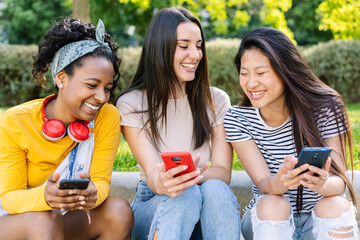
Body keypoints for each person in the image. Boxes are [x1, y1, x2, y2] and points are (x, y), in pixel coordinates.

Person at [0, 18, 134, 239]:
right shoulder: (16, 121)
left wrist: (93, 195)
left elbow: (100, 182)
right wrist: (44, 197)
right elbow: (8, 197)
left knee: (117, 211)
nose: (101, 97)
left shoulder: (107, 116)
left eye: (107, 88)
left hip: (64, 220)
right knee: (45, 218)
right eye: (92, 85)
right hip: (19, 222)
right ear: (61, 78)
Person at [116, 7, 240, 240]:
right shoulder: (132, 103)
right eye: (183, 46)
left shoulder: (216, 100)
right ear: (160, 48)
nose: (195, 55)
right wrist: (169, 182)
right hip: (153, 204)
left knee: (215, 190)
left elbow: (222, 172)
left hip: (205, 201)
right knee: (185, 194)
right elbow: (153, 175)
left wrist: (191, 178)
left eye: (199, 45)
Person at [224, 27, 359, 239]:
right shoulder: (237, 118)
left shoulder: (327, 108)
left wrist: (322, 184)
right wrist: (281, 182)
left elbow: (339, 182)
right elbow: (263, 184)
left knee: (334, 204)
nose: (251, 83)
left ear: (285, 71)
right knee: (273, 204)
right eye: (244, 73)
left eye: (261, 73)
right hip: (267, 219)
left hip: (317, 220)